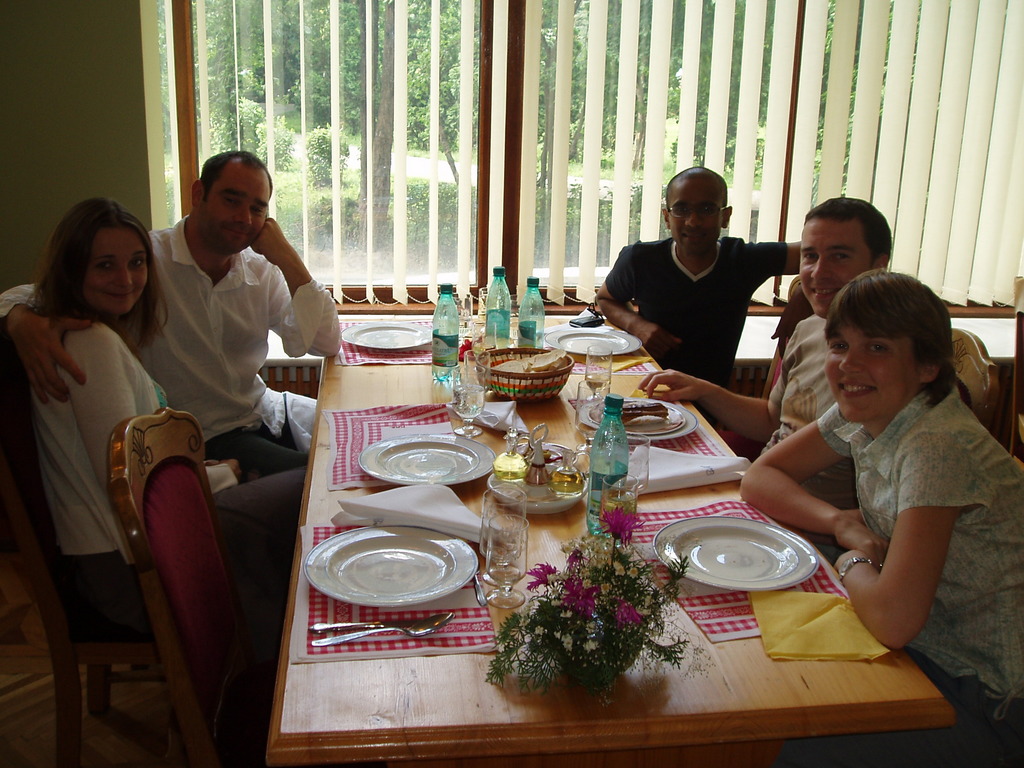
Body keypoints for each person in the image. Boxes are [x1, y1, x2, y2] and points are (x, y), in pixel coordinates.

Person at [740, 270, 1024, 767]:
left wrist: (850, 560)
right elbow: (761, 479)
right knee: (756, 662)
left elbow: (893, 620)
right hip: (925, 644)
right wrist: (838, 522)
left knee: (765, 740)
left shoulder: (936, 444)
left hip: (985, 698)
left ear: (928, 365)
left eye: (877, 348)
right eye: (839, 344)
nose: (848, 365)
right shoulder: (867, 406)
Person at [22, 197, 301, 662]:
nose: (126, 279)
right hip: (132, 572)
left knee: (291, 503)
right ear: (73, 270)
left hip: (136, 550)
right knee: (309, 490)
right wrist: (224, 472)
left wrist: (209, 469)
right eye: (105, 265)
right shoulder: (91, 349)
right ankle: (267, 665)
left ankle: (270, 657)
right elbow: (130, 490)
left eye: (135, 263)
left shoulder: (93, 335)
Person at [1, 150, 341, 480]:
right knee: (323, 477)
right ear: (198, 194)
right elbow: (31, 292)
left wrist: (287, 257)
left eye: (257, 208)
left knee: (355, 439)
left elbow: (323, 343)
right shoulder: (142, 262)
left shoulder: (260, 268)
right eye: (231, 200)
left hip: (263, 411)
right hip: (203, 437)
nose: (245, 218)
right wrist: (18, 319)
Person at [640, 197, 891, 511]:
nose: (818, 272)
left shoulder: (893, 364)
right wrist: (703, 389)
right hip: (762, 493)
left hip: (816, 524)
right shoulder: (809, 329)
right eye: (810, 256)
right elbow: (775, 419)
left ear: (879, 265)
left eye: (839, 256)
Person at [596, 167, 800, 387]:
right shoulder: (640, 259)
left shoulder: (743, 260)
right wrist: (637, 326)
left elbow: (826, 251)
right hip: (644, 388)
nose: (693, 221)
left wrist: (802, 296)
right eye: (681, 209)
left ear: (725, 216)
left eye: (706, 208)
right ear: (667, 217)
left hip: (709, 403)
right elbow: (606, 298)